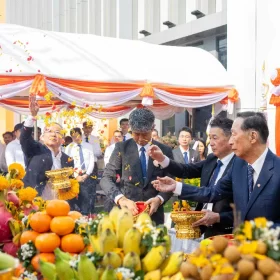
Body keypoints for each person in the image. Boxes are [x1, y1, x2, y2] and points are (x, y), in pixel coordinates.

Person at [151, 112, 280, 225]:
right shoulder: (239, 166)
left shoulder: (276, 170)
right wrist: (176, 186)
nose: (231, 142)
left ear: (252, 136)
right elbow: (213, 193)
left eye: (234, 135)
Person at [148, 116, 235, 237]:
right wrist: (162, 159)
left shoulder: (239, 165)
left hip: (227, 233)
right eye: (209, 138)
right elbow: (186, 170)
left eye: (215, 138)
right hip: (204, 228)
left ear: (230, 138)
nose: (211, 143)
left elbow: (214, 193)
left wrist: (219, 217)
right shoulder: (212, 159)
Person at [100, 108, 174, 225]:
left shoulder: (164, 150)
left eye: (144, 134)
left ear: (153, 128)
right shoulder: (121, 149)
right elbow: (106, 178)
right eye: (136, 134)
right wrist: (121, 199)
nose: (140, 139)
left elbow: (171, 182)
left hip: (154, 216)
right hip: (126, 215)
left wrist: (159, 199)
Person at [20, 96, 74, 198]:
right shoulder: (35, 150)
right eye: (49, 131)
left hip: (59, 205)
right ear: (42, 137)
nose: (53, 134)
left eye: (57, 132)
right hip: (36, 204)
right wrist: (32, 116)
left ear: (63, 140)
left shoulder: (68, 159)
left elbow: (68, 186)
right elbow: (24, 139)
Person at [65, 128, 95, 215]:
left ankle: (85, 215)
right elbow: (68, 165)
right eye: (73, 137)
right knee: (74, 198)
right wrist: (76, 175)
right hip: (74, 177)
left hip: (86, 175)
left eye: (77, 136)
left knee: (86, 197)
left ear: (81, 135)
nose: (76, 138)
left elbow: (91, 161)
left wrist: (87, 174)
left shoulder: (89, 146)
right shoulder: (69, 148)